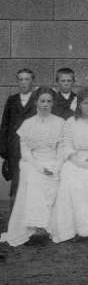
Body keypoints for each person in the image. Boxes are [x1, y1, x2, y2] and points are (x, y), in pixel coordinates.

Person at [1, 88, 64, 246]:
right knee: (33, 178)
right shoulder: (28, 124)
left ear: (53, 103)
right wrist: (41, 168)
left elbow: (62, 149)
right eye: (42, 101)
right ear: (36, 102)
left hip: (54, 161)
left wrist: (55, 166)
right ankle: (32, 225)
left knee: (58, 178)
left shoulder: (60, 123)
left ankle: (51, 227)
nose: (45, 104)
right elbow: (26, 152)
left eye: (49, 101)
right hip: (34, 163)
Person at [49, 89, 88, 243]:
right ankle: (73, 229)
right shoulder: (71, 122)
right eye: (86, 103)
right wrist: (77, 161)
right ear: (79, 105)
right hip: (75, 160)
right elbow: (66, 144)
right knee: (71, 180)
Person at [0, 68, 37, 210]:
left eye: (27, 79)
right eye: (20, 79)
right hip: (15, 149)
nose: (23, 82)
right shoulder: (12, 100)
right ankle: (14, 216)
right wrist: (4, 152)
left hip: (33, 148)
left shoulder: (38, 99)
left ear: (32, 81)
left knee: (32, 182)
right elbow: (5, 125)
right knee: (16, 182)